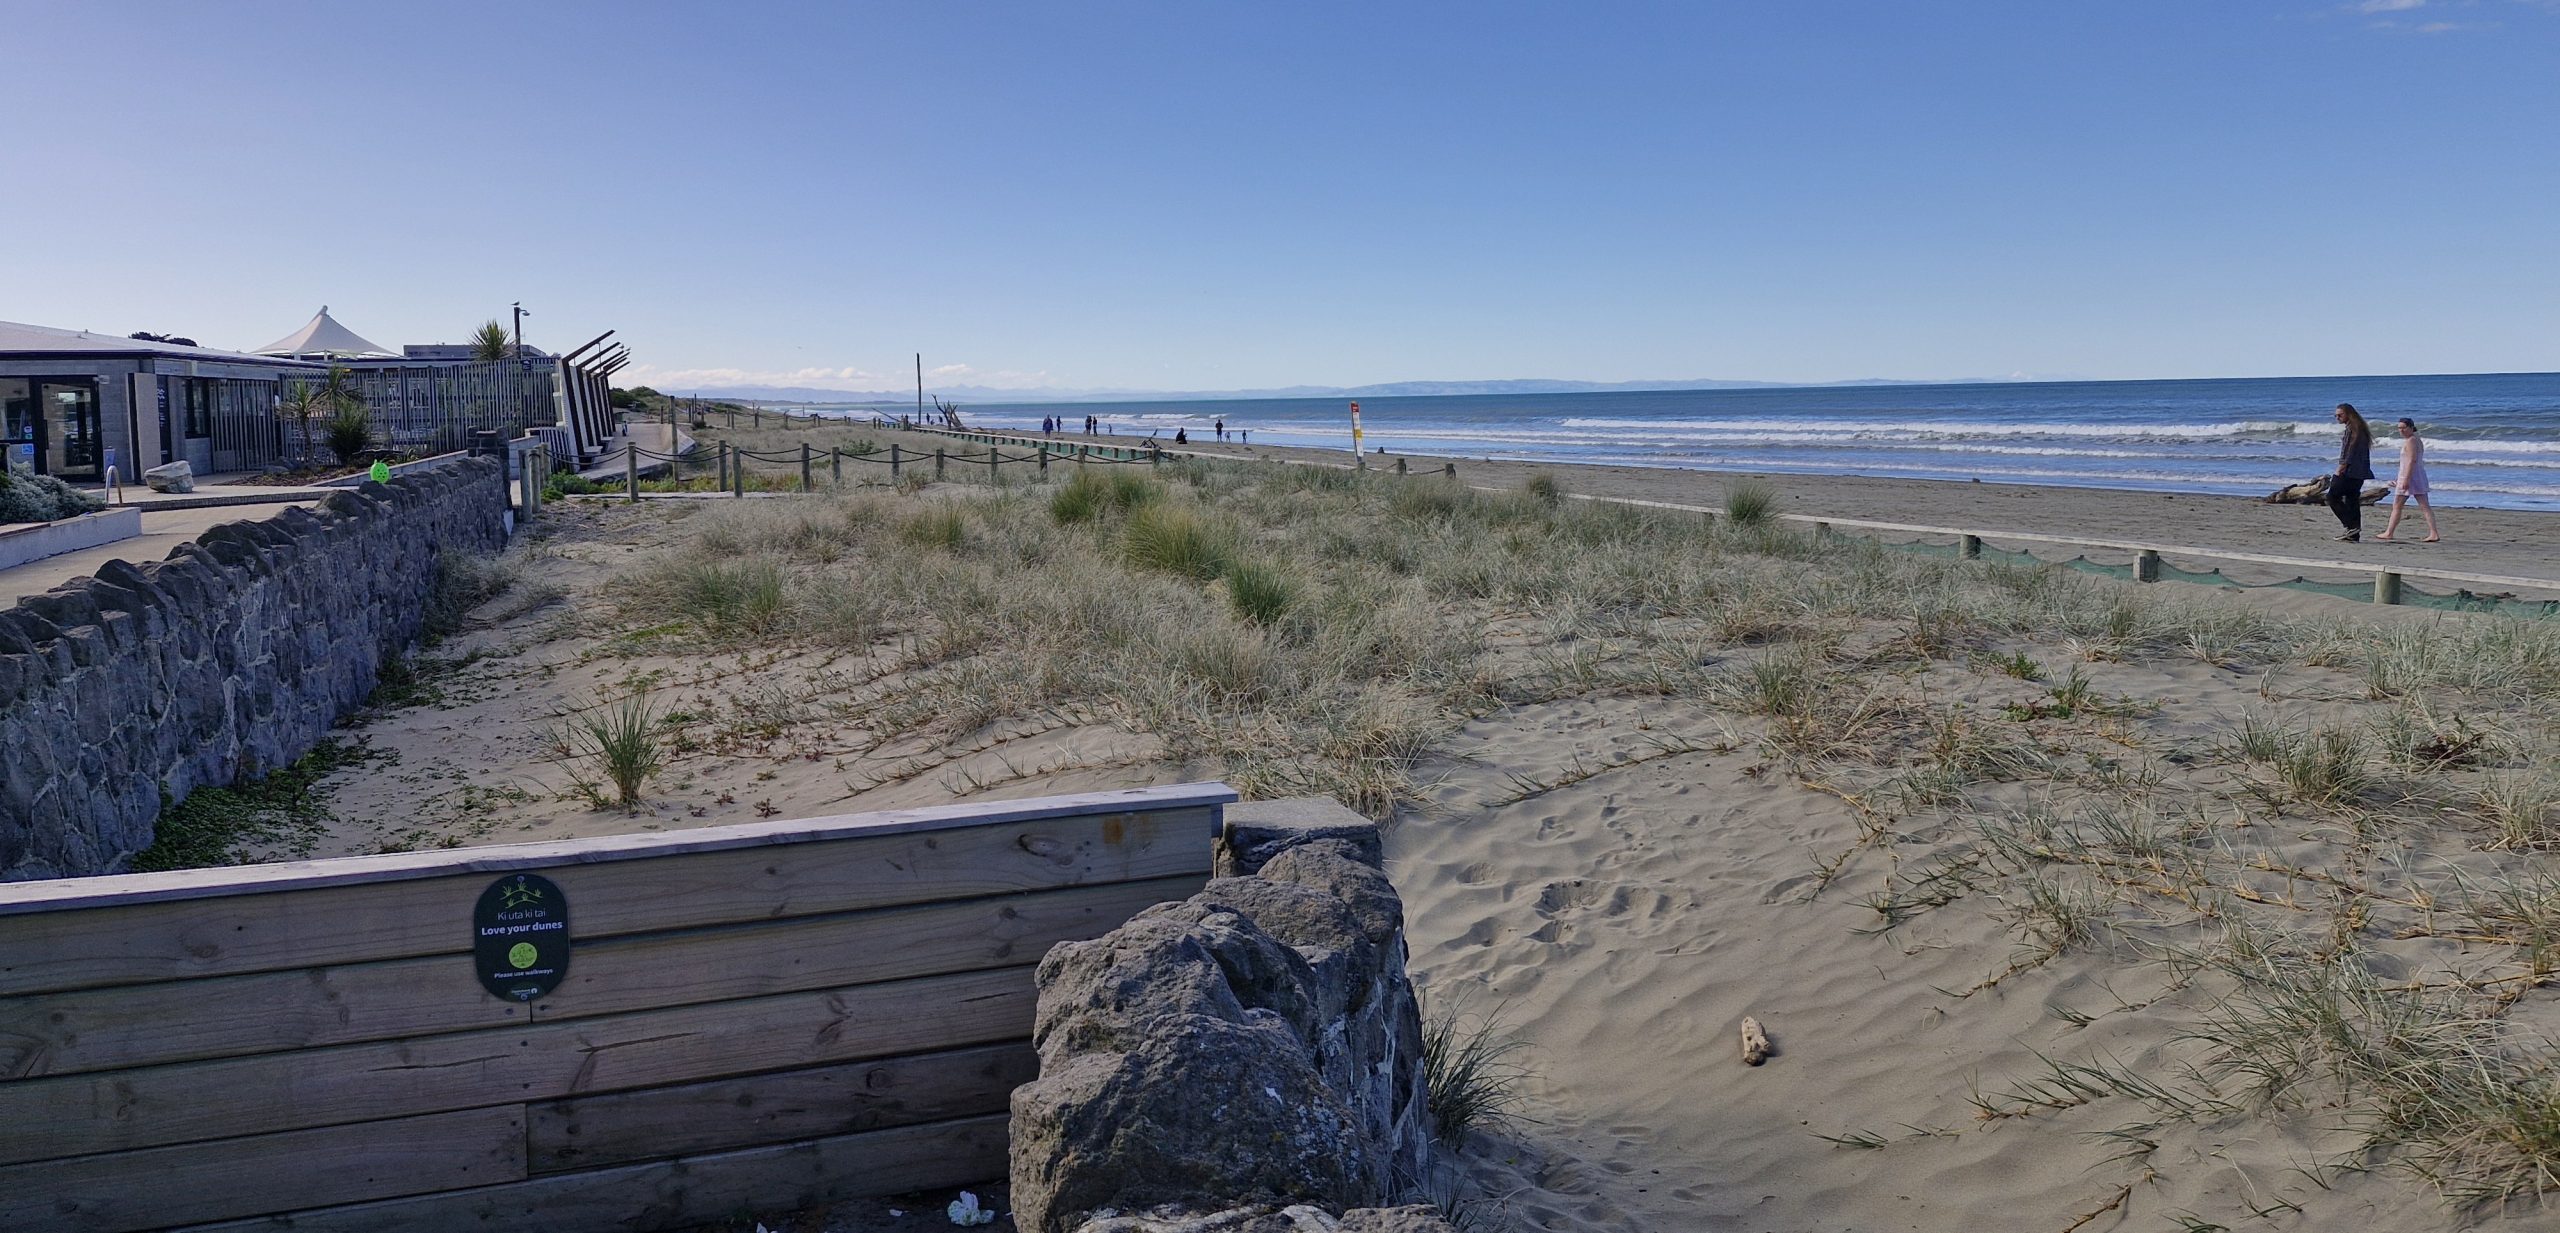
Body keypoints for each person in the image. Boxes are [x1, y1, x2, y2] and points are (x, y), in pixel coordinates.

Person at [2375, 417, 2441, 542]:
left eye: (2403, 428)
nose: (2401, 430)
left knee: (2398, 505)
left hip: (2411, 476)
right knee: (2423, 505)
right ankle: (2433, 533)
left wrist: (2405, 479)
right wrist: (2399, 478)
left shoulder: (2411, 441)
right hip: (2416, 476)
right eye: (2399, 428)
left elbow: (2411, 461)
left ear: (2411, 428)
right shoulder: (2416, 439)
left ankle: (2389, 532)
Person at [2325, 403, 2375, 542]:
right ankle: (2353, 535)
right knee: (2352, 499)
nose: (2337, 418)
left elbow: (2349, 450)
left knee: (2332, 497)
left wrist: (2341, 466)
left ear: (2349, 414)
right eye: (2336, 415)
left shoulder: (2353, 429)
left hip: (2351, 470)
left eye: (2340, 415)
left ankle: (2351, 526)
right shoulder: (2361, 428)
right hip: (2360, 471)